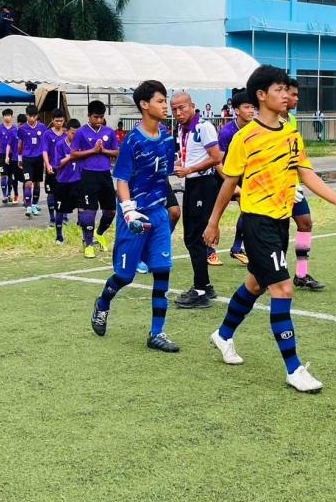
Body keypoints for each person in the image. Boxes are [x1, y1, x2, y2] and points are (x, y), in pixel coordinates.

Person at [203, 65, 336, 393]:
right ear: (261, 95)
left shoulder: (291, 133)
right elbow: (229, 182)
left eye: (287, 90)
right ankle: (294, 369)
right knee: (283, 289)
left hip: (280, 221)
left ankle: (223, 334)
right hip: (257, 223)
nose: (286, 95)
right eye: (279, 90)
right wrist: (213, 222)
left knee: (256, 284)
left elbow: (306, 172)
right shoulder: (245, 137)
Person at [90, 80, 179, 352]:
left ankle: (157, 333)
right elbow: (122, 180)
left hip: (158, 215)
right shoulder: (132, 140)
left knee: (162, 272)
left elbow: (164, 174)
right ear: (144, 105)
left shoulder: (167, 138)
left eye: (165, 101)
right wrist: (128, 210)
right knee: (125, 276)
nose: (166, 106)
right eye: (160, 101)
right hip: (135, 217)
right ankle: (102, 303)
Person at [171, 92, 222, 308]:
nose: (178, 112)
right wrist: (180, 165)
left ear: (192, 106)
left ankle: (200, 290)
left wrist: (190, 169)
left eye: (182, 107)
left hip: (203, 184)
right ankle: (205, 285)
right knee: (192, 236)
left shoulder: (203, 127)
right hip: (192, 184)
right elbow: (191, 156)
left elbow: (216, 157)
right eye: (174, 109)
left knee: (195, 237)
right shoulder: (182, 129)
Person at [286, 79, 323, 291]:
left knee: (305, 223)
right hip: (272, 192)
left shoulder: (291, 120)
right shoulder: (261, 126)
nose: (296, 99)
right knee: (276, 235)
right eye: (292, 94)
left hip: (293, 186)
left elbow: (298, 159)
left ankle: (301, 274)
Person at [71, 100, 120, 258]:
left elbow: (117, 152)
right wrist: (93, 150)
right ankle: (88, 244)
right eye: (95, 117)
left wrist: (103, 150)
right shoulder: (81, 132)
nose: (99, 120)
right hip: (88, 175)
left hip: (105, 174)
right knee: (89, 211)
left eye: (101, 117)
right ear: (89, 116)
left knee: (111, 211)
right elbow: (73, 154)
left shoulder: (109, 132)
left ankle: (99, 233)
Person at [216, 91, 253, 265]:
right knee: (214, 214)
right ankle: (209, 251)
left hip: (244, 177)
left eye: (252, 107)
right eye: (247, 107)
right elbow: (218, 161)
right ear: (237, 110)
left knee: (248, 211)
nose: (251, 110)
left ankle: (238, 247)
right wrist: (229, 183)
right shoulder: (227, 132)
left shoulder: (254, 129)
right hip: (224, 176)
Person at [51, 118, 82, 245]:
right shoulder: (60, 145)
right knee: (59, 209)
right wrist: (70, 157)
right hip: (63, 182)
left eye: (77, 133)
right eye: (73, 133)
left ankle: (85, 236)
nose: (75, 136)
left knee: (83, 208)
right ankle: (59, 236)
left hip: (78, 180)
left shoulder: (81, 145)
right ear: (67, 131)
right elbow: (57, 164)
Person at [16, 105, 48, 218]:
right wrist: (19, 158)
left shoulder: (42, 127)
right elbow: (20, 144)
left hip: (39, 158)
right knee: (28, 182)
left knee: (37, 183)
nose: (32, 118)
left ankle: (34, 204)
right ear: (26, 116)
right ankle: (28, 206)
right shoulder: (22, 129)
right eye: (30, 116)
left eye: (34, 116)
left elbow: (45, 144)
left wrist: (46, 160)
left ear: (37, 116)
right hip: (27, 158)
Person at [41, 110, 67, 225]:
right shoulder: (47, 134)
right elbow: (44, 150)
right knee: (51, 193)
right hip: (52, 168)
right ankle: (52, 218)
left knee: (64, 193)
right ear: (52, 120)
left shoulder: (67, 134)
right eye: (57, 121)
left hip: (64, 168)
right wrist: (47, 165)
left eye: (61, 121)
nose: (59, 123)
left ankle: (64, 216)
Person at [0, 108, 18, 204]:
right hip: (2, 154)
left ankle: (9, 194)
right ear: (3, 117)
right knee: (3, 174)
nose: (7, 117)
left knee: (10, 175)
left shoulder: (15, 129)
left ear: (12, 117)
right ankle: (4, 195)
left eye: (8, 115)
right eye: (5, 115)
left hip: (12, 155)